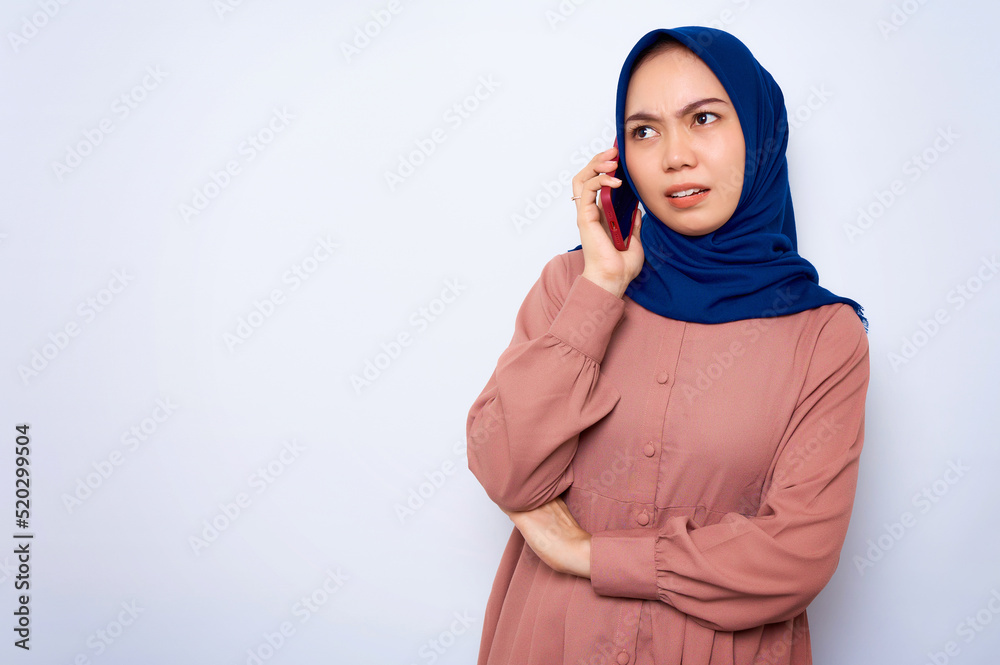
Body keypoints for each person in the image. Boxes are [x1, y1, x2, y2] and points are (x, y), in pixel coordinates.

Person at [465, 26, 870, 665]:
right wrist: (602, 289)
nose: (675, 156)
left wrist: (587, 554)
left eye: (703, 119)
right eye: (645, 131)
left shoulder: (823, 336)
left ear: (759, 134)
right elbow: (502, 466)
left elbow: (796, 557)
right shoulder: (572, 285)